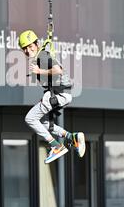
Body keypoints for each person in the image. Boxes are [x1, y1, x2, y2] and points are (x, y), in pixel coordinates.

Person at [19, 29, 86, 164]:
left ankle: (56, 146)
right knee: (44, 123)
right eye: (24, 49)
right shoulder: (40, 55)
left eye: (30, 46)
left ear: (37, 44)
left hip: (60, 94)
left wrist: (39, 71)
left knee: (30, 118)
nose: (27, 51)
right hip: (60, 94)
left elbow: (58, 70)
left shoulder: (42, 56)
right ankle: (71, 137)